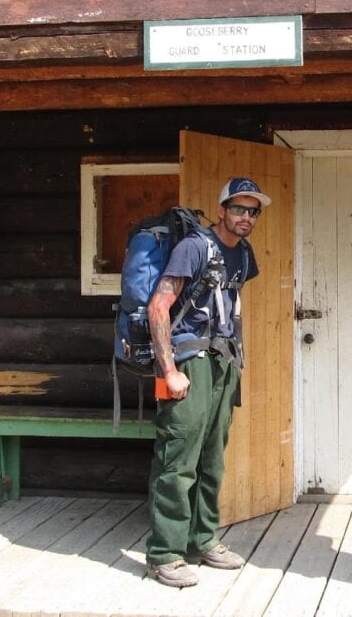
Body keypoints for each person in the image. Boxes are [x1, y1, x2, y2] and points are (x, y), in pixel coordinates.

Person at [144, 177, 269, 588]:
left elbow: (230, 305)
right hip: (189, 361)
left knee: (212, 458)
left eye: (253, 211)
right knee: (177, 458)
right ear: (222, 210)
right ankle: (166, 553)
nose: (246, 217)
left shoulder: (244, 254)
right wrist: (169, 371)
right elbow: (159, 306)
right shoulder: (194, 247)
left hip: (224, 361)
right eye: (238, 209)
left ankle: (203, 539)